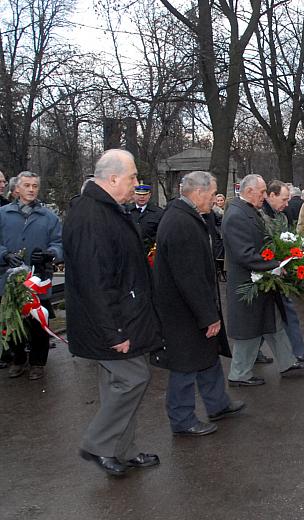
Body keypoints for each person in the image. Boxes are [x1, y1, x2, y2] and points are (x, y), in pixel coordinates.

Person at [64, 148, 162, 477]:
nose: (137, 182)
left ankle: (121, 450)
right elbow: (94, 282)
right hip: (111, 322)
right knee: (133, 379)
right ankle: (99, 444)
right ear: (114, 178)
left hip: (122, 316)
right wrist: (114, 333)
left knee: (117, 383)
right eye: (133, 176)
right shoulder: (92, 215)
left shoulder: (109, 209)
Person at [152, 171, 244, 437]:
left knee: (207, 355)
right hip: (183, 311)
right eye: (212, 194)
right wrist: (208, 315)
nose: (215, 200)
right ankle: (182, 418)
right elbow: (188, 276)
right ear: (199, 193)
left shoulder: (186, 216)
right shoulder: (181, 222)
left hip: (187, 306)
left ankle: (218, 404)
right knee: (186, 362)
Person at [222, 174, 304, 386]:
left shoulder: (248, 210)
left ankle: (287, 362)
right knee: (250, 331)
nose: (264, 196)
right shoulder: (236, 215)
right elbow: (245, 254)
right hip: (248, 282)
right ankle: (239, 374)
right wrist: (276, 265)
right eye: (261, 192)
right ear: (249, 191)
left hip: (260, 281)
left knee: (273, 322)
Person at [0, 171, 63, 380]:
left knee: (39, 323)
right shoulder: (3, 214)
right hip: (10, 281)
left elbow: (59, 243)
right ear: (16, 189)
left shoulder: (49, 217)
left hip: (38, 280)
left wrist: (51, 254)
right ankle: (18, 359)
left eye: (35, 186)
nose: (31, 189)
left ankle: (37, 362)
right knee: (13, 321)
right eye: (26, 185)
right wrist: (5, 254)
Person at [259, 180, 304, 362]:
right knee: (267, 316)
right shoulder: (260, 216)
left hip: (280, 271)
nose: (287, 204)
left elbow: (286, 239)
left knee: (285, 313)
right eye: (284, 199)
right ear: (272, 195)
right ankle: (252, 355)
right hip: (267, 271)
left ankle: (298, 352)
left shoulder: (281, 216)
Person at [128, 184, 163, 252]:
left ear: (149, 195)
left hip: (150, 253)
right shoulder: (126, 211)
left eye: (145, 194)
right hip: (130, 251)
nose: (142, 197)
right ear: (133, 195)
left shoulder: (158, 213)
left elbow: (161, 234)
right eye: (139, 194)